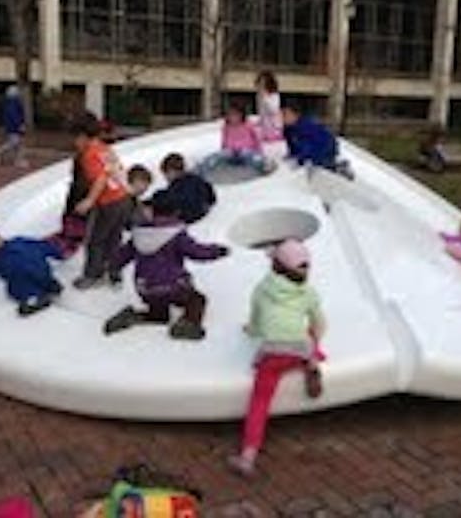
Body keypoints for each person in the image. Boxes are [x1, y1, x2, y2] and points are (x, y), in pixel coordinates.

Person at [228, 238, 326, 477]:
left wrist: (250, 330)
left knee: (260, 402)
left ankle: (248, 456)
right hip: (300, 348)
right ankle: (311, 363)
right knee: (307, 343)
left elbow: (257, 323)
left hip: (273, 353)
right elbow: (320, 323)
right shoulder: (309, 292)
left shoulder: (262, 288)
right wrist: (314, 342)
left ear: (275, 265)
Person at [109, 191, 229, 340]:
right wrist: (217, 251)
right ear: (176, 211)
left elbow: (122, 256)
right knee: (197, 300)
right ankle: (188, 323)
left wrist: (112, 267)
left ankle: (134, 315)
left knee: (160, 315)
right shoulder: (175, 234)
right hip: (174, 286)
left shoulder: (139, 233)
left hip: (146, 288)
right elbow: (197, 252)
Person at [71, 116, 132, 289]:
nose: (75, 143)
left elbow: (100, 178)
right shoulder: (105, 148)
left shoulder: (89, 154)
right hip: (123, 198)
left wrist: (89, 201)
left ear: (82, 136)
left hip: (108, 203)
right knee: (114, 238)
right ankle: (114, 272)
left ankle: (93, 275)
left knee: (95, 240)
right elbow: (117, 171)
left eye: (75, 138)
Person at [0, 233, 64, 316]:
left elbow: (40, 244)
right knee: (17, 283)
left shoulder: (18, 241)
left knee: (39, 269)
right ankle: (34, 299)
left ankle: (50, 285)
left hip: (41, 269)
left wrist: (56, 252)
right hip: (22, 279)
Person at [196, 100, 274, 177]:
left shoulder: (248, 125)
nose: (233, 117)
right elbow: (224, 140)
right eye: (230, 115)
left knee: (251, 156)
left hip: (246, 151)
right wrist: (223, 149)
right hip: (231, 152)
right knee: (218, 156)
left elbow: (257, 139)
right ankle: (202, 168)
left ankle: (263, 166)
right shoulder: (226, 127)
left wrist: (259, 152)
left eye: (235, 115)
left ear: (241, 115)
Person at [282, 105, 352, 177]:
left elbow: (321, 143)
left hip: (323, 151)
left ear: (295, 115)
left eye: (285, 114)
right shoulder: (288, 129)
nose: (283, 118)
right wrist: (292, 156)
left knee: (321, 168)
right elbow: (292, 146)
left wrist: (301, 158)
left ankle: (339, 168)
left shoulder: (307, 125)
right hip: (307, 155)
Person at [161, 153, 216, 224]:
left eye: (166, 174)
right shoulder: (198, 179)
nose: (166, 178)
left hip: (189, 216)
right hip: (202, 212)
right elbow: (212, 197)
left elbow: (172, 200)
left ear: (172, 171)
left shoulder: (178, 185)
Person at [0, 85, 27, 168]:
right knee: (14, 143)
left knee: (18, 144)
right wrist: (19, 125)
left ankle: (18, 160)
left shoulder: (10, 103)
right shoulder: (13, 104)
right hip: (13, 127)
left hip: (11, 126)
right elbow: (15, 116)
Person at [254, 71, 283, 142]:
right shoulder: (258, 96)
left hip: (274, 125)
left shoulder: (274, 95)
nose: (260, 86)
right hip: (264, 124)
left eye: (263, 83)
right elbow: (260, 111)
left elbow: (273, 110)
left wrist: (265, 97)